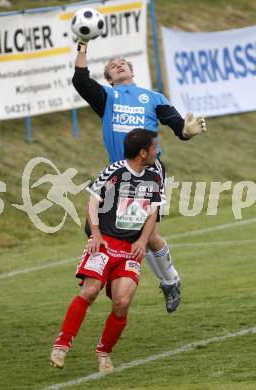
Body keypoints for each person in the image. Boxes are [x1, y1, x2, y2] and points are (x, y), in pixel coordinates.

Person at [72, 38, 207, 313]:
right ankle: (113, 277)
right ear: (110, 78)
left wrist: (187, 131)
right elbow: (80, 79)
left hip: (147, 174)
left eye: (122, 63)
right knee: (96, 227)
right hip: (118, 175)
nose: (118, 64)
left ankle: (169, 281)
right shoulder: (107, 98)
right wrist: (83, 44)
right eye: (112, 66)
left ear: (132, 72)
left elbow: (178, 127)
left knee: (147, 235)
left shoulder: (153, 97)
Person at [50, 128, 164, 372]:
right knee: (89, 291)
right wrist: (96, 234)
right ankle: (61, 346)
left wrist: (143, 240)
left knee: (122, 302)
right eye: (154, 147)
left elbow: (153, 211)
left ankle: (104, 354)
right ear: (143, 152)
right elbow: (93, 201)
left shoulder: (155, 177)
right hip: (105, 243)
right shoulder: (114, 171)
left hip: (130, 250)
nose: (158, 151)